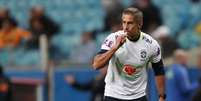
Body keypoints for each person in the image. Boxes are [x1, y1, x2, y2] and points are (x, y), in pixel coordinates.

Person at [92, 7, 166, 101]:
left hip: (138, 97)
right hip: (113, 95)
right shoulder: (113, 38)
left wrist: (162, 96)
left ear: (140, 24)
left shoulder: (151, 44)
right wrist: (114, 48)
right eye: (124, 22)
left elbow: (159, 70)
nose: (126, 27)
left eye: (130, 23)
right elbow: (96, 65)